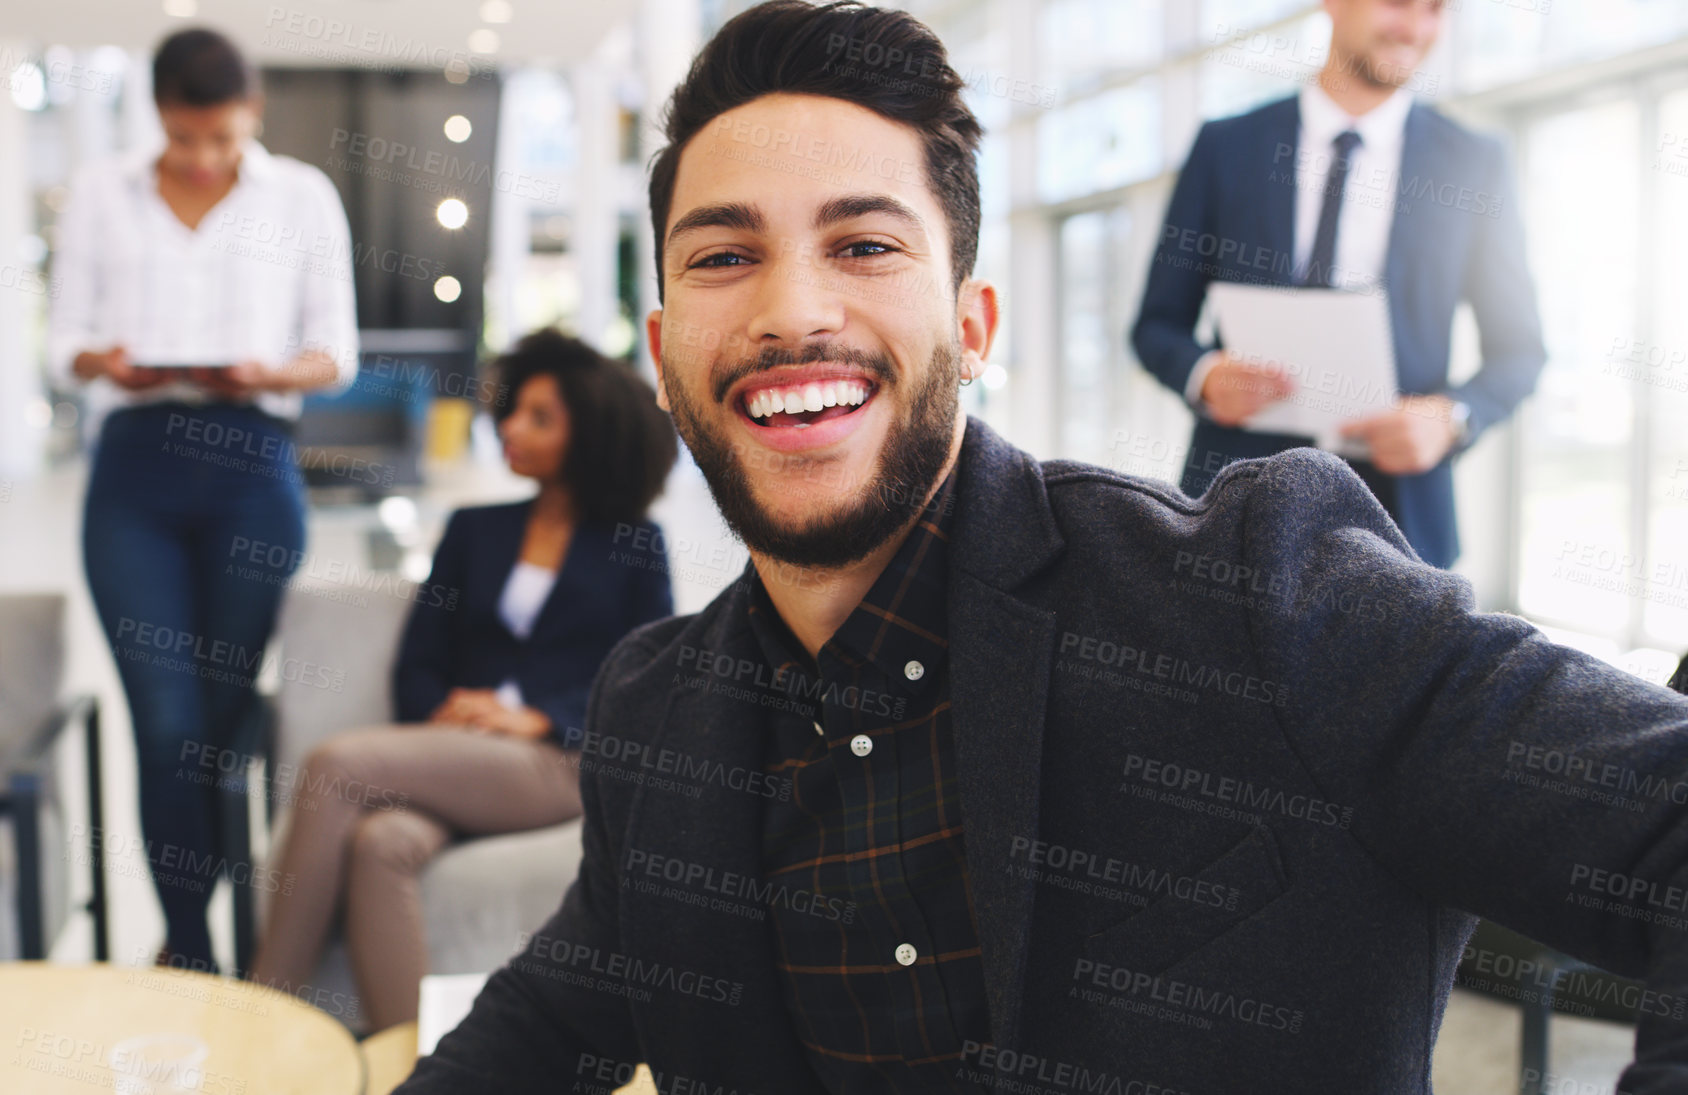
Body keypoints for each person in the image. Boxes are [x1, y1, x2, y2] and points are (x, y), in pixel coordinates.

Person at [395, 3, 1688, 1092]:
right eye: (727, 255)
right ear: (667, 357)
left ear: (973, 323)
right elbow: (554, 1024)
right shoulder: (659, 705)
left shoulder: (1259, 596)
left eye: (864, 244)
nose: (794, 309)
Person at [249, 329, 677, 1031]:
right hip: (457, 756)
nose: (510, 427)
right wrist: (447, 712)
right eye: (512, 411)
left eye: (540, 417)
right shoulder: (476, 529)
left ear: (591, 433)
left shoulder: (635, 543)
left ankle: (260, 1014)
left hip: (558, 760)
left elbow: (644, 674)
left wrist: (538, 716)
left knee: (334, 766)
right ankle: (415, 1064)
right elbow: (417, 661)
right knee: (380, 843)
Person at [47, 28, 359, 970]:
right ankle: (188, 947)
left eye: (219, 137)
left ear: (251, 114)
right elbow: (63, 340)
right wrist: (108, 361)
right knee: (167, 721)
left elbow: (333, 354)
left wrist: (267, 370)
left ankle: (231, 938)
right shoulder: (102, 194)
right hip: (134, 472)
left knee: (221, 730)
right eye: (183, 138)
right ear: (156, 116)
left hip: (251, 471)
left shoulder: (302, 197)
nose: (201, 157)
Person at [1130, 0, 1545, 569]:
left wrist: (1452, 419)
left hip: (1401, 519)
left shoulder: (1473, 162)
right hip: (1234, 503)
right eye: (1398, 3)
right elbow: (1156, 325)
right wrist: (1204, 376)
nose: (1415, 28)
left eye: (1435, 10)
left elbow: (1520, 352)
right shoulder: (1227, 147)